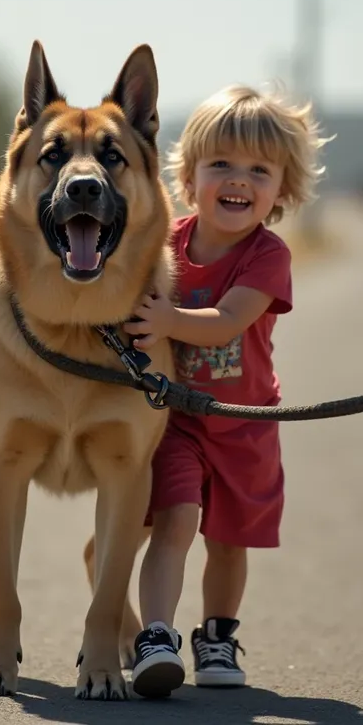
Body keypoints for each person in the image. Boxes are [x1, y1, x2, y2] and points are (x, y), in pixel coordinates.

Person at [123, 84, 327, 699]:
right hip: (178, 420)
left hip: (245, 420)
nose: (238, 180)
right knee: (175, 522)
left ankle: (217, 633)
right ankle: (156, 635)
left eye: (258, 170)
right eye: (221, 165)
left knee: (230, 541)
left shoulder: (268, 255)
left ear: (282, 190)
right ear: (189, 176)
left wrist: (167, 323)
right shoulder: (165, 244)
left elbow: (231, 319)